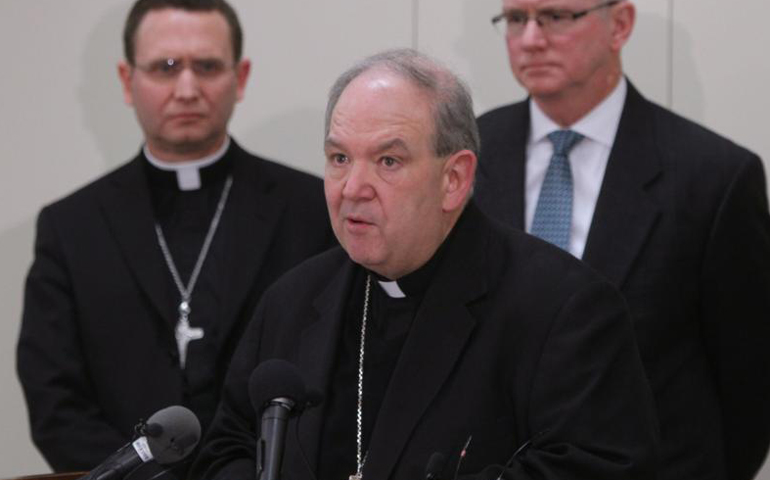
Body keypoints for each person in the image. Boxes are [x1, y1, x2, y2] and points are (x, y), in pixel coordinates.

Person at [191, 49, 658, 480]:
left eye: (388, 160)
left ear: (454, 178)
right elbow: (227, 449)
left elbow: (595, 468)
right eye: (339, 158)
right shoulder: (292, 300)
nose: (352, 186)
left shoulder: (564, 310)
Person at [16, 0, 334, 472]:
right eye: (166, 67)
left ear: (240, 77)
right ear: (128, 80)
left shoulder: (311, 208)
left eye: (206, 66)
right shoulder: (71, 226)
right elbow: (54, 398)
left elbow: (334, 367)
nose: (187, 88)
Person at [473, 1, 770, 479]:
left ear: (621, 24)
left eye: (555, 16)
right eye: (515, 19)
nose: (530, 38)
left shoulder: (712, 177)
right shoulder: (467, 158)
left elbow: (749, 384)